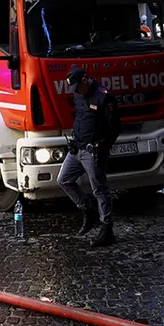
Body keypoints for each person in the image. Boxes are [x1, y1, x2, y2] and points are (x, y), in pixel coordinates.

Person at [56, 68, 119, 247]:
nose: (76, 91)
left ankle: (107, 229)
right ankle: (88, 211)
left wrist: (104, 147)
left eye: (77, 87)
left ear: (85, 80)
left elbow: (114, 126)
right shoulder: (79, 95)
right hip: (77, 146)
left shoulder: (103, 97)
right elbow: (81, 117)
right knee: (63, 179)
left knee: (99, 188)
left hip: (94, 149)